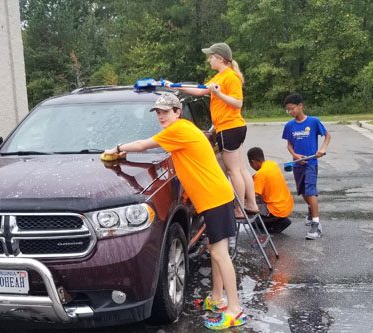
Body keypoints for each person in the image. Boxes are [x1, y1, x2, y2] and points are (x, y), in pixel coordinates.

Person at [104, 93, 247, 330]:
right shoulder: (185, 128)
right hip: (215, 196)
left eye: (165, 111)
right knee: (215, 250)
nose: (161, 116)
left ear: (177, 112)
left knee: (220, 253)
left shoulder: (177, 131)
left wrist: (117, 149)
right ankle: (216, 299)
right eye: (158, 112)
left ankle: (234, 309)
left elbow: (143, 145)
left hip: (215, 198)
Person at [171, 42, 259, 218]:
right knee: (240, 169)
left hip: (230, 127)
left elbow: (238, 102)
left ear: (219, 58)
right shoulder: (218, 77)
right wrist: (175, 86)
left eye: (210, 57)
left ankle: (239, 208)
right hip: (232, 127)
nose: (209, 60)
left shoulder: (230, 77)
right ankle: (252, 205)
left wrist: (218, 94)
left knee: (234, 171)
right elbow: (200, 91)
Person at [281, 93, 331, 240]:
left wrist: (322, 149)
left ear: (300, 106)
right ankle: (311, 209)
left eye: (292, 109)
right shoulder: (289, 125)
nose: (291, 112)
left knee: (310, 191)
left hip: (311, 163)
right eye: (288, 110)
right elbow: (289, 145)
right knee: (302, 191)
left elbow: (327, 136)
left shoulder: (313, 122)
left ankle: (316, 225)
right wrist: (295, 156)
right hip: (297, 165)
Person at [247, 147, 293, 234]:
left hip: (275, 210)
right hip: (286, 205)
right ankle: (280, 219)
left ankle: (276, 223)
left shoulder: (260, 174)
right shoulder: (272, 164)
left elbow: (252, 195)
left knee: (252, 222)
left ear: (252, 162)